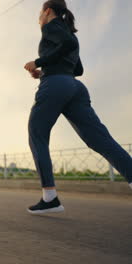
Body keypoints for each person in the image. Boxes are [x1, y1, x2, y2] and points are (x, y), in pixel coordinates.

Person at [24, 0, 132, 214]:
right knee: (100, 139)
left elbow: (69, 48)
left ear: (47, 11)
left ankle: (50, 197)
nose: (39, 18)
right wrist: (44, 68)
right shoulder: (69, 32)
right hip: (74, 86)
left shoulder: (51, 26)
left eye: (40, 13)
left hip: (56, 85)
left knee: (37, 134)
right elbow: (78, 68)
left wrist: (39, 62)